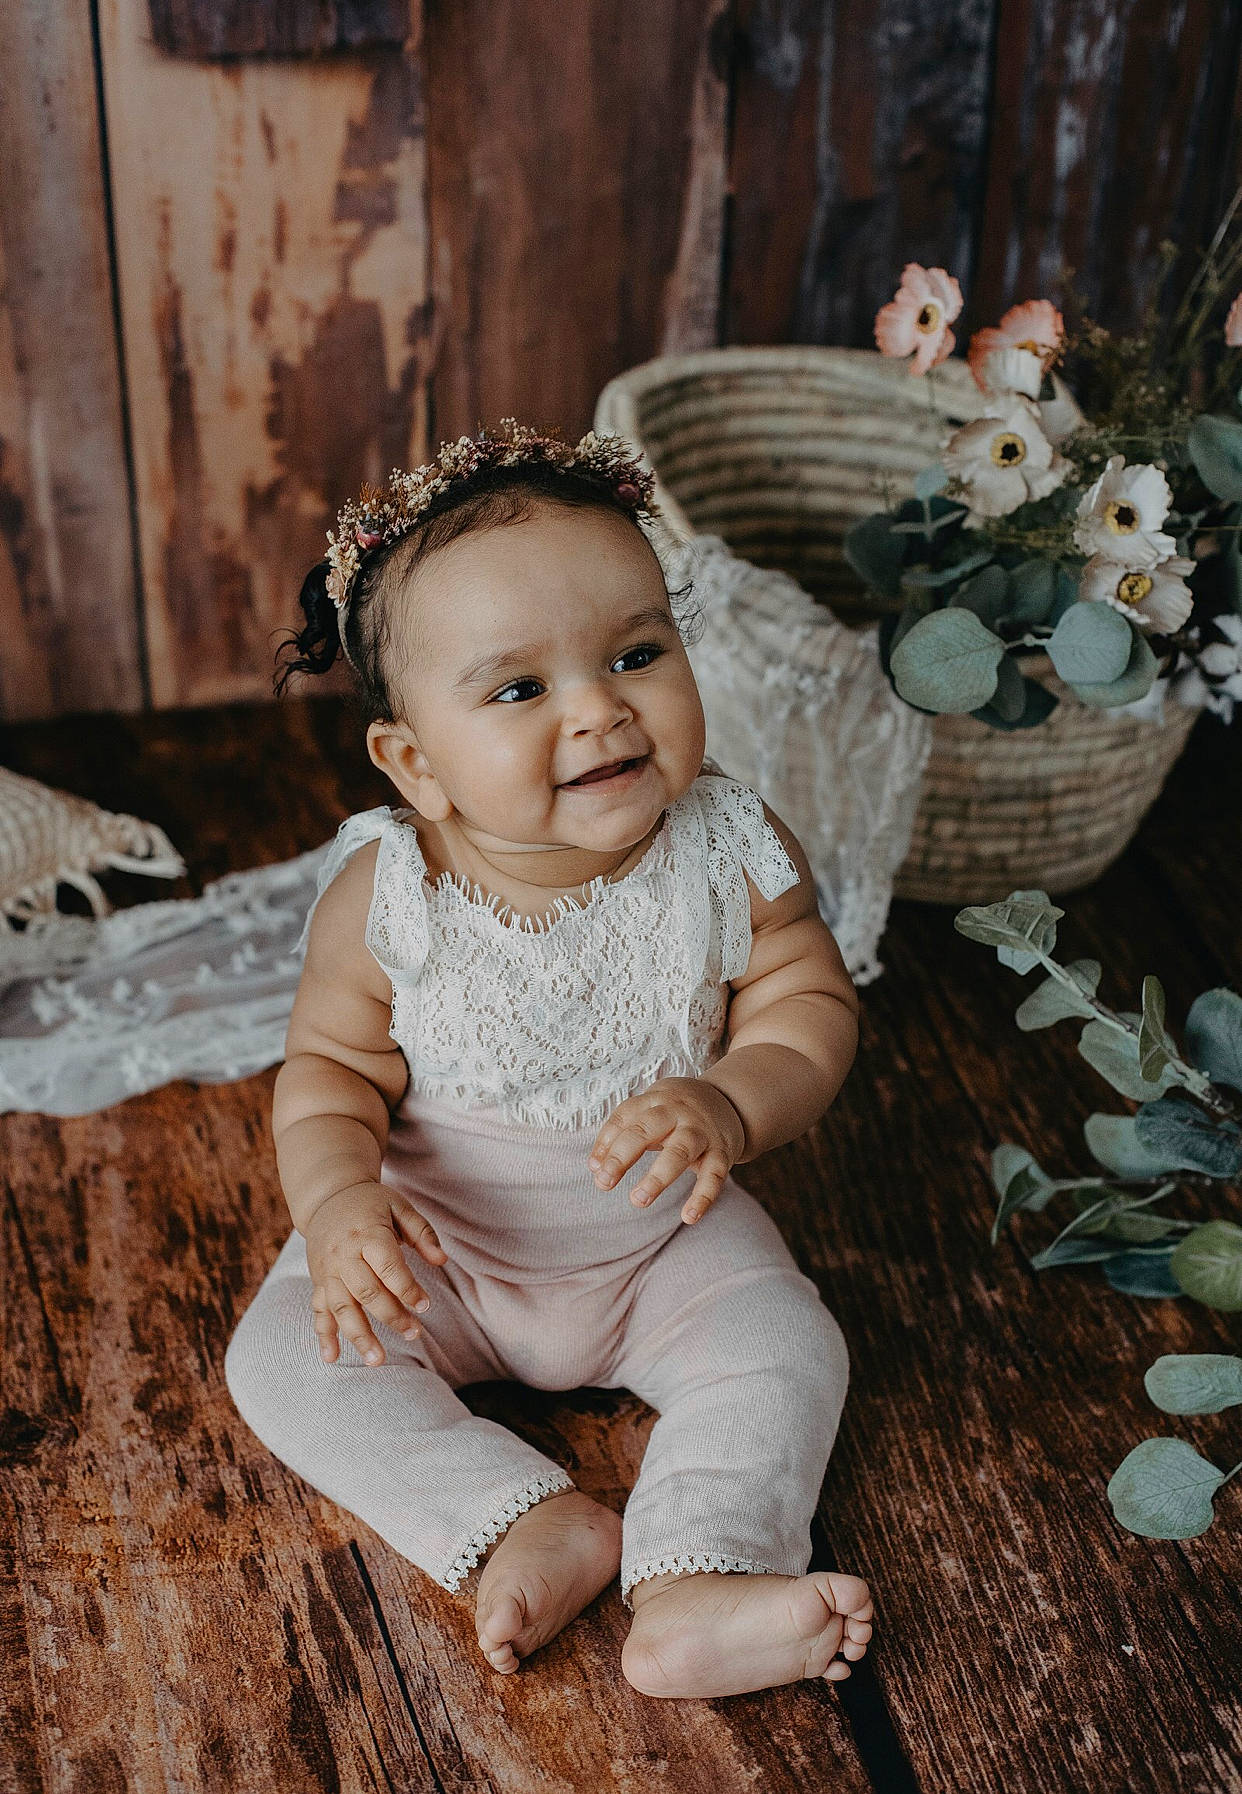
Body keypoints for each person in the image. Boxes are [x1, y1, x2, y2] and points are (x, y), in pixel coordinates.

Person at [224, 418, 873, 1699]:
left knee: (789, 1346)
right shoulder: (388, 894)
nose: (599, 709)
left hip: (661, 1242)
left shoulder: (726, 844)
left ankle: (701, 1574)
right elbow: (329, 1074)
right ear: (417, 764)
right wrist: (341, 1198)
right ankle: (523, 1516)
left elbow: (809, 1007)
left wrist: (728, 1101)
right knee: (285, 1360)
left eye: (637, 652)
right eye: (520, 689)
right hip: (440, 1251)